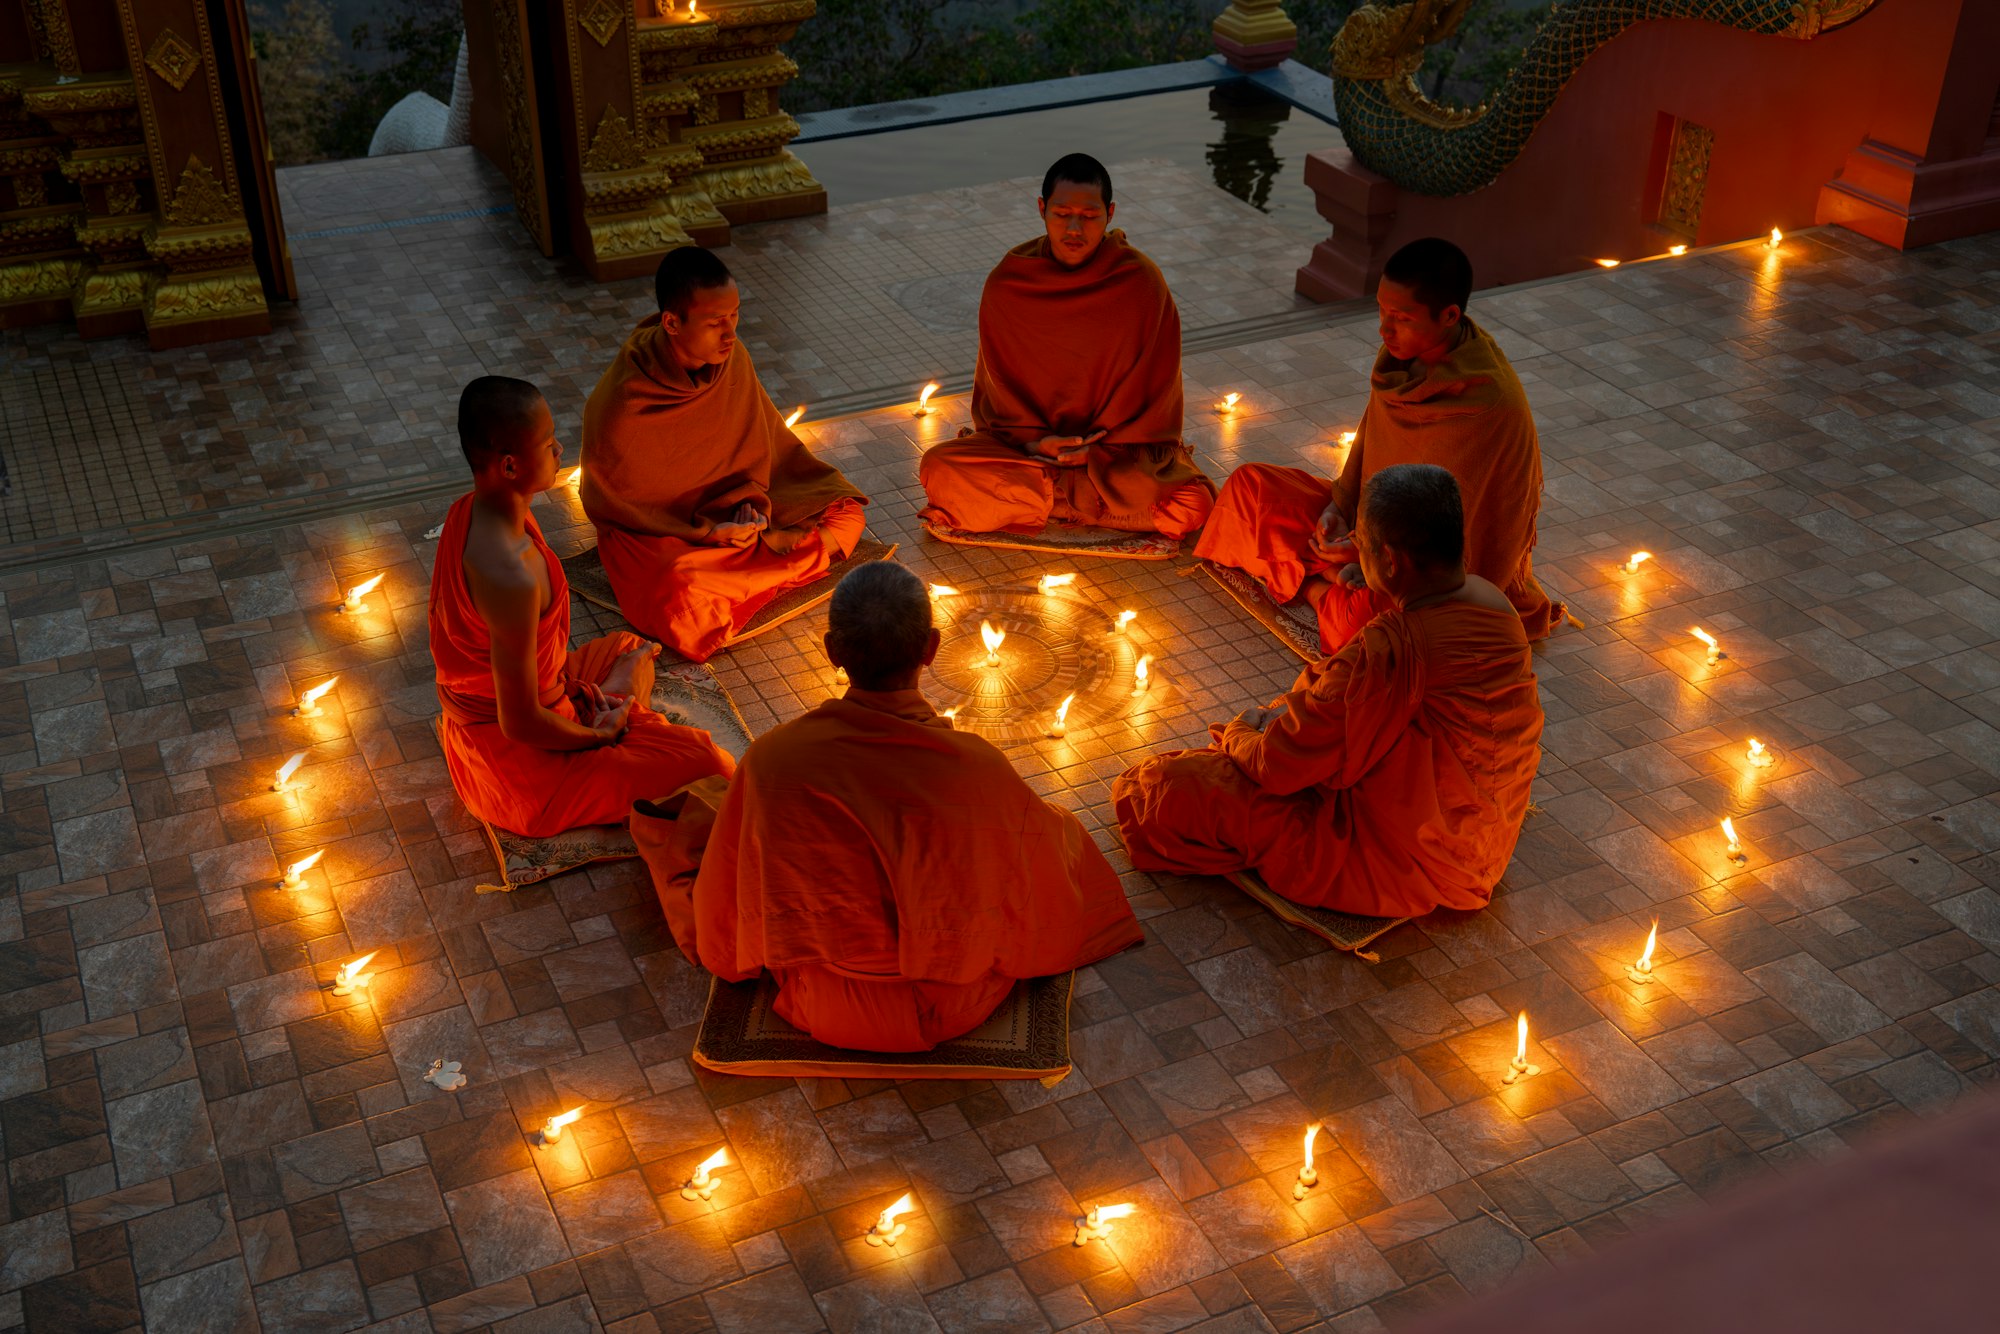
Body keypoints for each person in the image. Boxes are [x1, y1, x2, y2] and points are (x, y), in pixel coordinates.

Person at [677, 561, 1142, 1052]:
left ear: (832, 652)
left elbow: (728, 890)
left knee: (716, 819)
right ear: (931, 649)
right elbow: (1022, 878)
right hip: (952, 1004)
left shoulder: (772, 759)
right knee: (1052, 831)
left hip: (822, 1002)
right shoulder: (975, 769)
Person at [1113, 465, 1543, 919]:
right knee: (1303, 708)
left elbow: (1279, 766)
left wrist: (1242, 734)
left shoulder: (1390, 650)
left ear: (1391, 561)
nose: (1356, 551)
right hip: (1485, 839)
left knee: (1161, 790)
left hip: (1405, 859)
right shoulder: (1491, 601)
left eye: (1363, 544)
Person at [1195, 237, 1561, 650]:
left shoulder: (1484, 403)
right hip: (1368, 535)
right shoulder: (1400, 363)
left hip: (1422, 570)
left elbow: (1457, 545)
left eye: (1401, 318)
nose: (1385, 329)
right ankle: (1326, 580)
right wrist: (1339, 508)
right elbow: (1367, 451)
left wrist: (1364, 558)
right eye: (1382, 311)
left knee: (1375, 630)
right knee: (1250, 487)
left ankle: (1315, 588)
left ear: (1449, 316)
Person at [429, 376, 734, 838]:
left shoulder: (472, 509)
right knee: (711, 766)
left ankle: (609, 703)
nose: (559, 450)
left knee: (629, 646)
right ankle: (612, 719)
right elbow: (520, 722)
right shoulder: (509, 573)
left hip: (526, 702)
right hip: (517, 764)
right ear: (510, 465)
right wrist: (599, 736)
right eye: (548, 443)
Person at [581, 246, 869, 662]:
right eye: (716, 322)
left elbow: (762, 446)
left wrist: (753, 509)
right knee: (681, 595)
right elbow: (616, 506)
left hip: (740, 512)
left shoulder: (733, 359)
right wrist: (708, 533)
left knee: (845, 511)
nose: (730, 333)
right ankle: (787, 561)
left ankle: (762, 564)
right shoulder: (626, 401)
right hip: (665, 535)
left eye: (735, 316)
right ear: (672, 323)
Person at [917, 154, 1214, 539]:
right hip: (1033, 453)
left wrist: (1094, 452)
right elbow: (1000, 393)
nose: (1074, 228)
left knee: (1195, 504)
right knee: (938, 466)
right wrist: (1039, 443)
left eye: (1089, 216)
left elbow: (1154, 394)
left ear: (1109, 214)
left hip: (1113, 456)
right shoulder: (1011, 283)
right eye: (1062, 214)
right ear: (1042, 209)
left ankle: (1047, 504)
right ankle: (1087, 508)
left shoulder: (1139, 282)